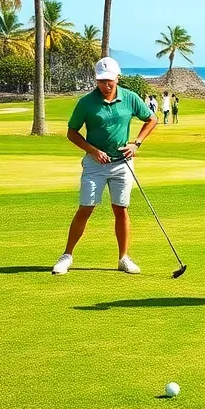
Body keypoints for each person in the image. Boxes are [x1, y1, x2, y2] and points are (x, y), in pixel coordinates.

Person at [52, 57, 158, 275]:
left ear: (117, 78)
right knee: (86, 208)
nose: (106, 85)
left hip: (122, 164)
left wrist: (136, 143)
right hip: (95, 164)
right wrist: (92, 150)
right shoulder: (86, 103)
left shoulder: (129, 98)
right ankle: (67, 255)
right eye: (101, 80)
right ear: (96, 80)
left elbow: (152, 119)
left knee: (121, 209)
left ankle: (123, 258)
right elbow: (71, 132)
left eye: (109, 80)